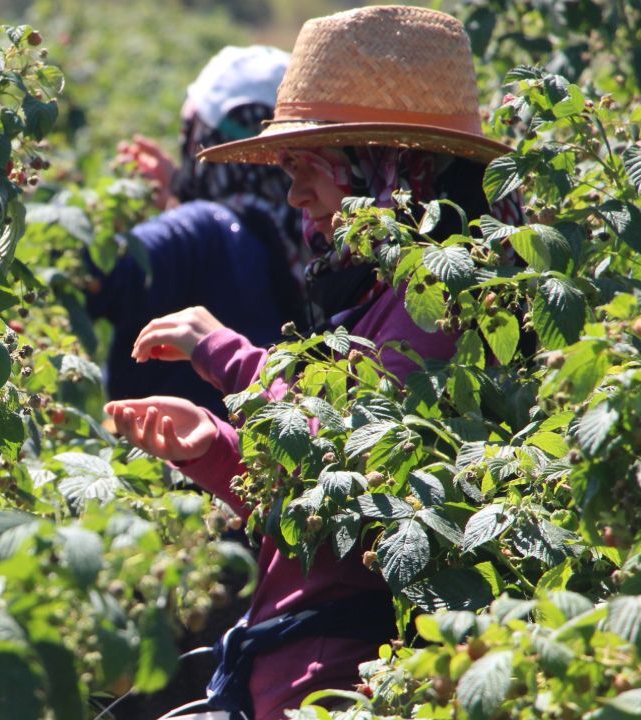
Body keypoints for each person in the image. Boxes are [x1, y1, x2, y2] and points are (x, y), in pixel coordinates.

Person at [104, 7, 524, 720]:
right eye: (291, 170)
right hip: (287, 674)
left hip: (339, 686)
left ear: (392, 169)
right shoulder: (376, 296)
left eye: (312, 168)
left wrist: (229, 357)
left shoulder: (442, 304)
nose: (296, 194)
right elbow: (323, 512)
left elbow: (364, 477)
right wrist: (216, 449)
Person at [86, 46, 306, 419]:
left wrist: (108, 224)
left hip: (186, 465)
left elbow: (93, 276)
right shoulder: (312, 236)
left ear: (200, 138)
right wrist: (179, 198)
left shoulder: (201, 228)